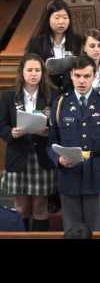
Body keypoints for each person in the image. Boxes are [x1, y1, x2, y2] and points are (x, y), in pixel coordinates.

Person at [47, 56, 100, 232]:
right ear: (71, 75)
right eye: (78, 75)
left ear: (94, 76)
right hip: (69, 176)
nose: (81, 81)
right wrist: (58, 159)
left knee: (94, 230)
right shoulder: (60, 103)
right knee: (71, 231)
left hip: (96, 175)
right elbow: (50, 143)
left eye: (86, 76)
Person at [0, 53, 56, 231]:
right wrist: (11, 133)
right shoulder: (8, 96)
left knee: (40, 205)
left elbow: (59, 125)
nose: (34, 74)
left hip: (42, 156)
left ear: (43, 73)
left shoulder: (52, 95)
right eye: (30, 70)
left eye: (37, 70)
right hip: (18, 154)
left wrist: (48, 132)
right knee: (22, 207)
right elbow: (1, 125)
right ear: (22, 72)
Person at [26, 0, 83, 92]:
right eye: (57, 18)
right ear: (48, 19)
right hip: (45, 89)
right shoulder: (37, 43)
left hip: (71, 89)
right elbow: (30, 67)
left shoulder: (77, 40)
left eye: (65, 18)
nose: (61, 22)